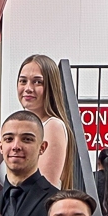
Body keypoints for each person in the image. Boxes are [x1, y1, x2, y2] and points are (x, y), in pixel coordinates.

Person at [16, 54, 77, 189]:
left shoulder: (53, 126)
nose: (28, 88)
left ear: (51, 86)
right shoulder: (13, 127)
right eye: (23, 81)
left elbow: (45, 189)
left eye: (37, 82)